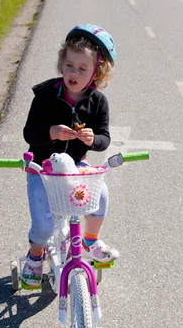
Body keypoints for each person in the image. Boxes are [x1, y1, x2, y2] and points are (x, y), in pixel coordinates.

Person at [21, 24, 119, 289]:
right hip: (42, 169)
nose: (73, 73)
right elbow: (29, 132)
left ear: (96, 74)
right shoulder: (45, 96)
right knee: (43, 228)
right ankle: (35, 255)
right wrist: (52, 132)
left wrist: (92, 139)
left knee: (101, 194)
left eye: (82, 69)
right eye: (69, 65)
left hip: (76, 167)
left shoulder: (97, 102)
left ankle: (89, 240)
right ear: (61, 64)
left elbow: (104, 139)